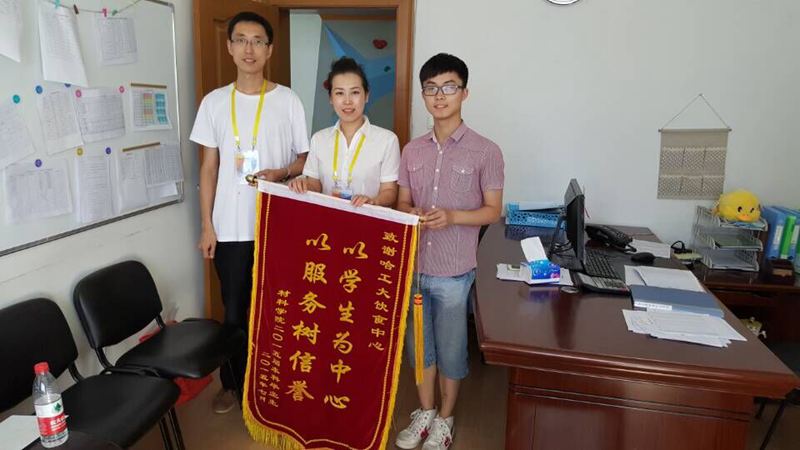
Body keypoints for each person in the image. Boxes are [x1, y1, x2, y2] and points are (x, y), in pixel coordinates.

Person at [189, 11, 310, 414]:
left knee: (279, 308)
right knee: (235, 311)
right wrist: (207, 225)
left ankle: (277, 383)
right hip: (230, 228)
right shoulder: (213, 103)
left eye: (258, 41)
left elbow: (305, 159)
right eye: (241, 39)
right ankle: (235, 385)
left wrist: (282, 172)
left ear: (270, 50)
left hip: (279, 225)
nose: (249, 49)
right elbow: (209, 167)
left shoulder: (288, 100)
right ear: (229, 47)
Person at [395, 53, 505, 450]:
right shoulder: (412, 150)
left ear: (464, 93)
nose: (439, 96)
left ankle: (445, 417)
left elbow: (494, 211)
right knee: (419, 347)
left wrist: (454, 216)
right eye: (430, 88)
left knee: (452, 349)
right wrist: (411, 212)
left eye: (448, 87)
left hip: (455, 272)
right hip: (415, 268)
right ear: (423, 95)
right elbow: (401, 202)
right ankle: (425, 412)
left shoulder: (486, 151)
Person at [288, 57, 400, 207]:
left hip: (367, 218)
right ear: (331, 98)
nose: (347, 101)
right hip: (327, 219)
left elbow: (390, 191)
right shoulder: (319, 139)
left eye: (355, 92)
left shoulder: (387, 140)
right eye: (340, 93)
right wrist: (303, 185)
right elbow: (315, 185)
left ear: (366, 95)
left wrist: (374, 201)